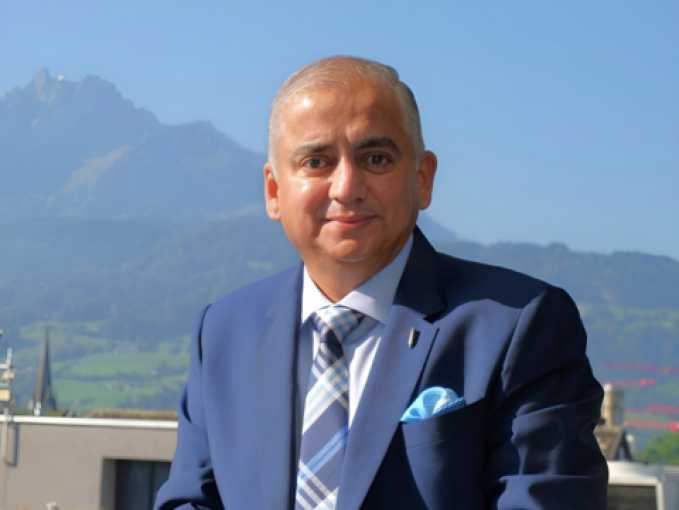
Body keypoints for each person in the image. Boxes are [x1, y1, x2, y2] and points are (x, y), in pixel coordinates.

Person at [155, 56, 607, 510]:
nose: (346, 187)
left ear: (422, 179)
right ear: (274, 191)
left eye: (375, 159)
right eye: (317, 161)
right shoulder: (224, 332)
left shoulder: (518, 325)